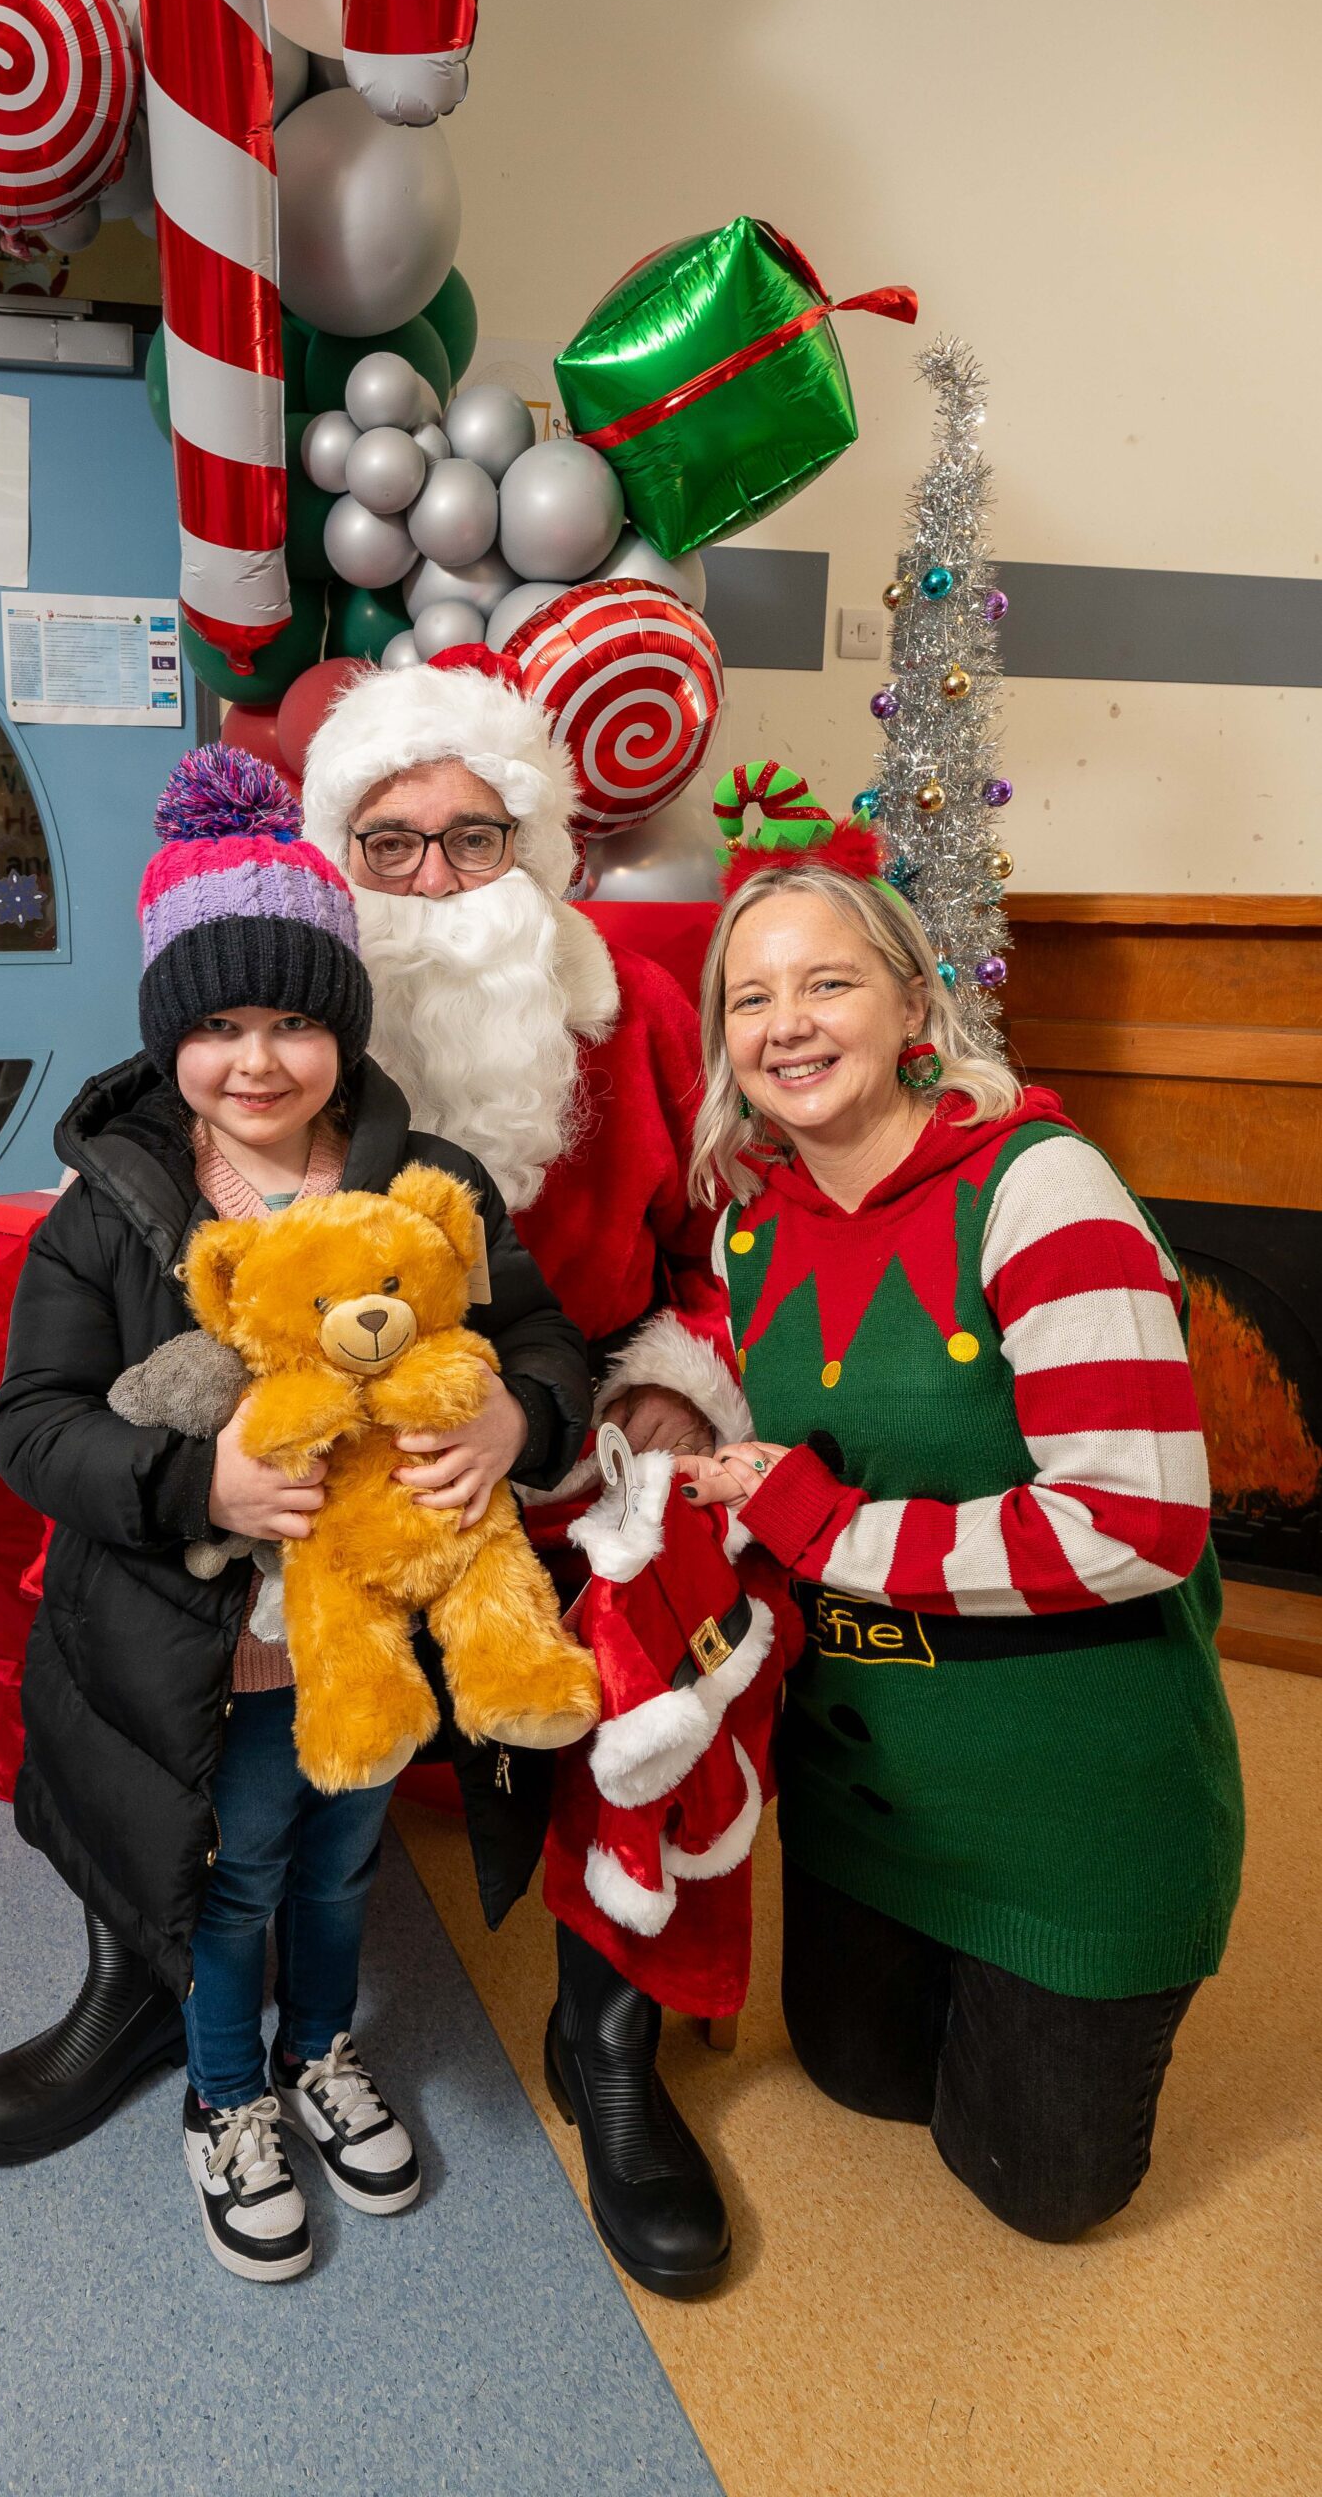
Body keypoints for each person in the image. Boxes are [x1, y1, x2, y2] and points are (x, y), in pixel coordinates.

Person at [0, 747, 590, 2282]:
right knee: (234, 1871)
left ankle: (323, 2050)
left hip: (375, 1634)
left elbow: (544, 1341)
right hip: (198, 1653)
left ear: (343, 1030)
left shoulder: (428, 1183)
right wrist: (195, 1482)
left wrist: (518, 1415)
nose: (258, 1058)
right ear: (172, 1034)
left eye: (295, 1018)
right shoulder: (108, 1213)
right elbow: (31, 1427)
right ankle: (224, 2095)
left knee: (343, 1859)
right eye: (221, 1024)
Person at [675, 784, 1244, 2243]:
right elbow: (759, 1431)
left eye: (826, 983)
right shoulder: (750, 1218)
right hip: (868, 1797)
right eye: (751, 998)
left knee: (1041, 2193)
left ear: (914, 1000)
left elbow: (1135, 1526)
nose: (787, 1025)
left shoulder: (1041, 1191)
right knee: (857, 2077)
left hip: (1071, 1806)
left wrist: (817, 1523)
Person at [302, 646, 752, 2298]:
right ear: (341, 862)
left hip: (587, 1433)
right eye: (390, 843)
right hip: (352, 1455)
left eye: (472, 837)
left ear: (536, 846)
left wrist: (679, 1393)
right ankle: (190, 1999)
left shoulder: (625, 1006)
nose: (434, 879)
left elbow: (728, 1254)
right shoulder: (291, 1026)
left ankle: (609, 2035)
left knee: (660, 1621)